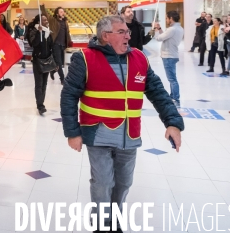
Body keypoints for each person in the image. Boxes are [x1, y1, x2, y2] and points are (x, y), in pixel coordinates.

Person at [61, 15, 184, 230]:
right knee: (102, 184)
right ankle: (102, 223)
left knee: (124, 183)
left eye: (127, 31)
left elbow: (157, 92)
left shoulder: (138, 57)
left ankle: (115, 219)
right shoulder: (85, 58)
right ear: (106, 36)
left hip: (130, 136)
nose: (128, 35)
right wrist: (73, 133)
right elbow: (69, 95)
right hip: (97, 134)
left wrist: (172, 123)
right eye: (122, 32)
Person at [154, 11, 185, 106]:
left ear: (171, 18)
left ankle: (175, 98)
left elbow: (159, 38)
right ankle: (173, 95)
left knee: (172, 79)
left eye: (167, 18)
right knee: (172, 78)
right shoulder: (179, 28)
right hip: (173, 55)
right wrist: (159, 29)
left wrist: (155, 29)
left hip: (168, 56)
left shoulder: (172, 29)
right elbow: (166, 37)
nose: (166, 20)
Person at [27, 14, 54, 115]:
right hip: (37, 60)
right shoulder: (33, 31)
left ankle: (41, 102)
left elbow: (51, 45)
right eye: (44, 20)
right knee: (39, 84)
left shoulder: (48, 31)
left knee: (44, 84)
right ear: (39, 22)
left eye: (46, 19)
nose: (46, 21)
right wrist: (39, 33)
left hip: (47, 60)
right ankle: (40, 106)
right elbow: (34, 44)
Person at [41, 5, 72, 85]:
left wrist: (69, 41)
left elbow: (67, 33)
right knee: (58, 62)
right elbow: (46, 15)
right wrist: (42, 7)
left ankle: (53, 70)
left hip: (63, 45)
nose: (63, 13)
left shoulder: (65, 22)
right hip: (56, 45)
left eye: (63, 11)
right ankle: (62, 79)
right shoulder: (53, 20)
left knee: (61, 63)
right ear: (57, 13)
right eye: (61, 11)